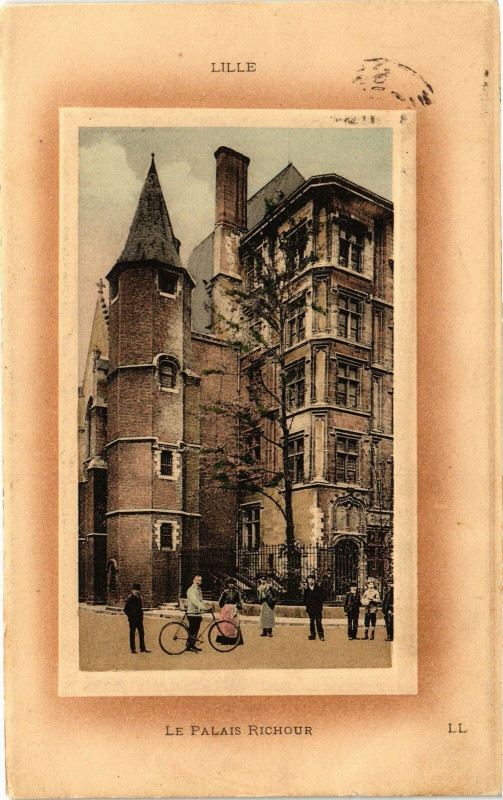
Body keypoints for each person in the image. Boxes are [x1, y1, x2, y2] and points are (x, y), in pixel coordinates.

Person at [124, 583, 150, 654]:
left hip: (139, 619)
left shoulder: (139, 598)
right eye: (135, 590)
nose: (137, 591)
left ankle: (142, 648)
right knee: (132, 633)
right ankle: (133, 649)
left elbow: (140, 608)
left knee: (141, 633)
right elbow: (125, 609)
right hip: (133, 620)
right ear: (133, 590)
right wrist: (130, 617)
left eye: (138, 590)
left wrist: (141, 616)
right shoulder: (130, 598)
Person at [186, 574, 210, 653]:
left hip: (197, 613)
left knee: (196, 630)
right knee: (192, 630)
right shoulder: (191, 590)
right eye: (197, 580)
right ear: (193, 581)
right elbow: (195, 601)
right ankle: (189, 646)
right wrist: (203, 608)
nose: (198, 582)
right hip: (192, 613)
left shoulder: (199, 590)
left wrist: (205, 606)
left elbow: (200, 600)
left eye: (200, 580)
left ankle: (192, 645)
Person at [217, 578, 244, 645]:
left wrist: (238, 607)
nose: (231, 585)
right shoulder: (225, 592)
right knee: (225, 624)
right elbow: (221, 602)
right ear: (228, 584)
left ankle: (233, 640)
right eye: (229, 583)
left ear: (234, 584)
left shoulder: (237, 592)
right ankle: (224, 640)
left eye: (232, 583)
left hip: (233, 609)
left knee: (233, 624)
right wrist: (223, 607)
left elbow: (240, 601)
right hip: (226, 609)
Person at [303, 574, 325, 641]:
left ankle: (321, 636)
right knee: (312, 622)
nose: (311, 581)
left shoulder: (319, 589)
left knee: (318, 622)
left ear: (314, 581)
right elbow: (304, 600)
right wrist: (308, 606)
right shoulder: (306, 590)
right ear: (308, 581)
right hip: (310, 609)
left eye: (312, 580)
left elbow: (322, 598)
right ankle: (313, 635)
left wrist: (319, 604)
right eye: (309, 580)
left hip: (318, 609)